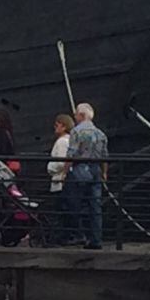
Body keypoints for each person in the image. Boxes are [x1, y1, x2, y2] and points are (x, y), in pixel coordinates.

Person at [65, 102, 108, 250]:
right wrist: (104, 172)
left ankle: (78, 235)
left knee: (74, 203)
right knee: (95, 206)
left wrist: (65, 171)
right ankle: (96, 239)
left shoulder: (76, 132)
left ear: (82, 116)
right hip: (96, 169)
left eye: (76, 114)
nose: (74, 116)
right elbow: (104, 156)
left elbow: (71, 154)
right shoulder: (100, 133)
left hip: (80, 169)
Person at [47, 114, 74, 244]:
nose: (55, 128)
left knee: (60, 210)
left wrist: (50, 167)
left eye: (57, 125)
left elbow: (61, 162)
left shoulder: (62, 142)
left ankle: (61, 237)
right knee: (65, 210)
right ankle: (66, 235)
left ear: (64, 126)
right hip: (64, 180)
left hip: (59, 181)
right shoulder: (69, 141)